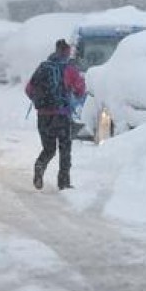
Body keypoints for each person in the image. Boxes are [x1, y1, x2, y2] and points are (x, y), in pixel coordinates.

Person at [26, 38, 86, 190]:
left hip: (43, 116)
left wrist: (40, 101)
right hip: (61, 115)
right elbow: (80, 90)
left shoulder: (43, 67)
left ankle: (40, 166)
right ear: (66, 52)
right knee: (65, 149)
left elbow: (28, 89)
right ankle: (63, 182)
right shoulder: (69, 69)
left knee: (49, 149)